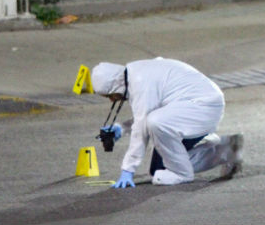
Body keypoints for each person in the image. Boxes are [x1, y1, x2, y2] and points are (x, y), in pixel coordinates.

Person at [91, 58, 243, 188]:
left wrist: (128, 169)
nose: (112, 100)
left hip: (202, 107)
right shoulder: (136, 71)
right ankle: (226, 149)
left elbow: (142, 128)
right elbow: (149, 113)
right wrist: (121, 128)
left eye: (110, 95)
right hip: (200, 104)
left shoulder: (140, 83)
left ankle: (182, 173)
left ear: (115, 85)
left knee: (156, 123)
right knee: (159, 168)